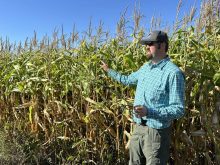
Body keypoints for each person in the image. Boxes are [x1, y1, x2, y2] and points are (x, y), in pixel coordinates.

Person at [101, 30, 185, 165]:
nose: (146, 47)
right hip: (138, 128)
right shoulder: (146, 67)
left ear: (162, 45)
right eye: (146, 44)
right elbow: (127, 80)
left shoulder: (173, 73)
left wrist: (149, 112)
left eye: (150, 43)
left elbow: (179, 109)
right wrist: (108, 70)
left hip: (156, 133)